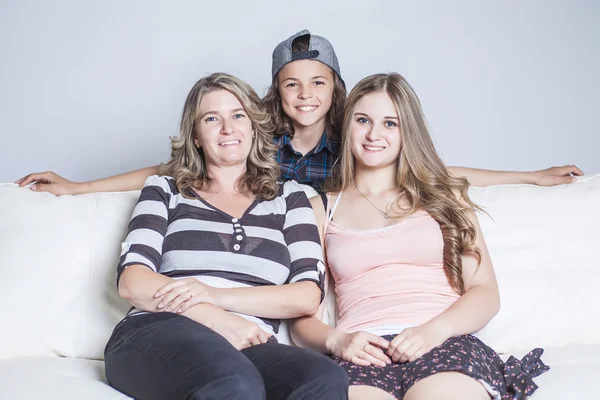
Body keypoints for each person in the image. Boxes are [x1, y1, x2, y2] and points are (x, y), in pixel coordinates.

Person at [16, 30, 583, 195]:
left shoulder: (358, 139)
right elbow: (170, 170)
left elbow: (437, 171)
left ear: (337, 89)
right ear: (277, 90)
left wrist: (531, 176)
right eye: (292, 83)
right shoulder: (254, 137)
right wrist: (77, 187)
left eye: (319, 82)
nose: (306, 94)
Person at [290, 73, 549, 400]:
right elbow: (301, 315)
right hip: (361, 350)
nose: (373, 134)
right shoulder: (319, 209)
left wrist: (435, 330)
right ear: (347, 125)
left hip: (441, 341)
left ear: (406, 131)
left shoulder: (444, 196)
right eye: (363, 120)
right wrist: (338, 341)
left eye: (390, 123)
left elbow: (485, 293)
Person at [103, 72, 349, 400]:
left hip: (250, 338)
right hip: (159, 329)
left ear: (253, 126)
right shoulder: (166, 189)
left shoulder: (290, 198)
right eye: (211, 118)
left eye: (237, 116)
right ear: (195, 136)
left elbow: (306, 295)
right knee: (234, 382)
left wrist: (220, 298)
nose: (227, 128)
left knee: (323, 378)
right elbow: (133, 282)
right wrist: (215, 317)